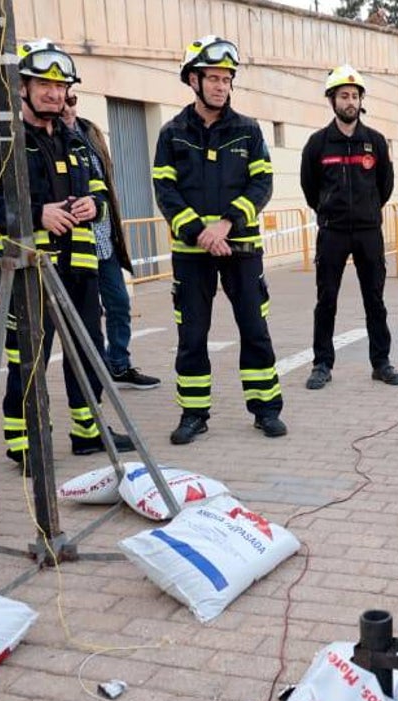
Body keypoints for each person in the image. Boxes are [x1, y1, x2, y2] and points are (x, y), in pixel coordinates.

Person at [0, 38, 135, 471]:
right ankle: (26, 443)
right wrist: (36, 215)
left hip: (78, 269)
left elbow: (96, 188)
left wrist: (93, 204)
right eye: (45, 85)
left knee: (87, 351)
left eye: (61, 86)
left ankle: (88, 432)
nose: (55, 93)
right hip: (28, 270)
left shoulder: (75, 140)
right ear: (20, 86)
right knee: (28, 358)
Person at [152, 35, 286, 445]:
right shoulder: (172, 133)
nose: (221, 86)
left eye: (226, 79)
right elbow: (166, 192)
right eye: (213, 78)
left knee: (254, 329)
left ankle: (265, 409)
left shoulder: (248, 130)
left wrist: (226, 224)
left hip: (241, 248)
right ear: (193, 80)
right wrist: (200, 233)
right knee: (192, 335)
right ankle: (194, 414)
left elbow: (262, 182)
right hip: (191, 254)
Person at [299, 65, 398, 391]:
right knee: (326, 299)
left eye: (355, 96)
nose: (350, 101)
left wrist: (368, 210)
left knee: (375, 299)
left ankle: (381, 363)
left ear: (361, 101)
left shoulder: (375, 142)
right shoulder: (317, 144)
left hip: (368, 232)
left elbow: (385, 186)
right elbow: (309, 188)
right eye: (343, 95)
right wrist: (329, 210)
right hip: (332, 231)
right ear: (332, 100)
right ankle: (321, 364)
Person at [60, 94, 160, 390]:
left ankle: (118, 364)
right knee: (86, 315)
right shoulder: (50, 138)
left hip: (104, 240)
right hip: (76, 245)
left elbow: (104, 183)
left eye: (71, 99)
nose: (67, 106)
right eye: (62, 101)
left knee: (119, 303)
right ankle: (94, 373)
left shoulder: (90, 131)